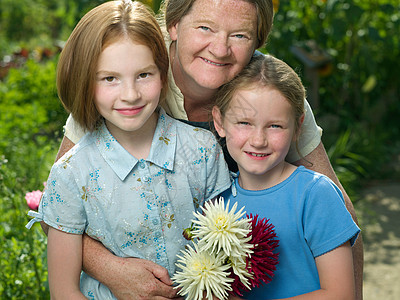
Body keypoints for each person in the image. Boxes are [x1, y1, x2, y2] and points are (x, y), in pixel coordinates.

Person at [46, 0, 363, 298]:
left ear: (258, 42)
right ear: (174, 25)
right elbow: (56, 210)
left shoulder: (269, 93)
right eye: (205, 28)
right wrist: (112, 270)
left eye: (240, 35)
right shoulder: (129, 73)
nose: (220, 49)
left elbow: (340, 214)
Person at [26, 0, 230, 298]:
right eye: (110, 78)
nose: (131, 94)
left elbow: (227, 254)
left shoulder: (202, 150)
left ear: (163, 74)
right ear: (86, 82)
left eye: (144, 75)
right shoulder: (70, 174)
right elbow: (63, 291)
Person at [213, 54, 360, 299]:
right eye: (244, 123)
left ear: (298, 127)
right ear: (219, 122)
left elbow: (341, 294)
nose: (258, 140)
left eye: (275, 126)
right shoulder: (216, 202)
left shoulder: (315, 194)